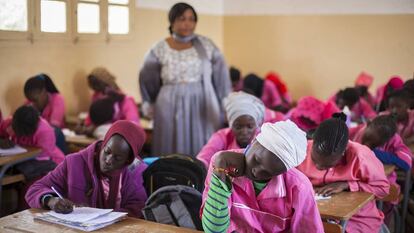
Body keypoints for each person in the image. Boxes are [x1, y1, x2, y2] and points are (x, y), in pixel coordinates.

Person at [139, 2, 231, 156]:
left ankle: (201, 176)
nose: (187, 23)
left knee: (201, 144)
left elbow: (220, 76)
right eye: (182, 19)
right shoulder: (159, 48)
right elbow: (148, 78)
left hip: (201, 103)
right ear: (172, 21)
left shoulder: (206, 46)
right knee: (170, 144)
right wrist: (150, 102)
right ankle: (170, 176)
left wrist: (224, 103)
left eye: (191, 19)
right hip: (168, 104)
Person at [201, 120, 324, 233]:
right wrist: (220, 165)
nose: (256, 172)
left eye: (268, 173)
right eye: (257, 160)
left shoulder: (299, 186)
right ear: (254, 140)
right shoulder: (223, 165)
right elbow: (213, 230)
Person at [25, 120, 148, 218]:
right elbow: (35, 189)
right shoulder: (74, 163)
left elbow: (137, 209)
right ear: (104, 143)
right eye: (107, 152)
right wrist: (50, 200)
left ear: (128, 160)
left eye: (117, 158)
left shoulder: (136, 172)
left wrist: (107, 219)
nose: (108, 160)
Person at [297, 114, 390, 233]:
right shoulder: (301, 150)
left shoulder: (361, 157)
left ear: (343, 152)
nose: (319, 168)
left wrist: (348, 185)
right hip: (314, 215)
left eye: (328, 165)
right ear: (313, 143)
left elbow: (383, 189)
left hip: (357, 220)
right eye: (315, 161)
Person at [197, 92, 265, 168]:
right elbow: (204, 158)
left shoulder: (262, 140)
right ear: (230, 125)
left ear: (256, 125)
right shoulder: (222, 136)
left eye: (250, 127)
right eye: (238, 127)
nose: (244, 132)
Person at [0, 106, 64, 179]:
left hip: (50, 162)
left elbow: (41, 156)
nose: (19, 135)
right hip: (19, 160)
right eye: (16, 130)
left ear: (34, 127)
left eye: (24, 133)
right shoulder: (9, 123)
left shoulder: (45, 132)